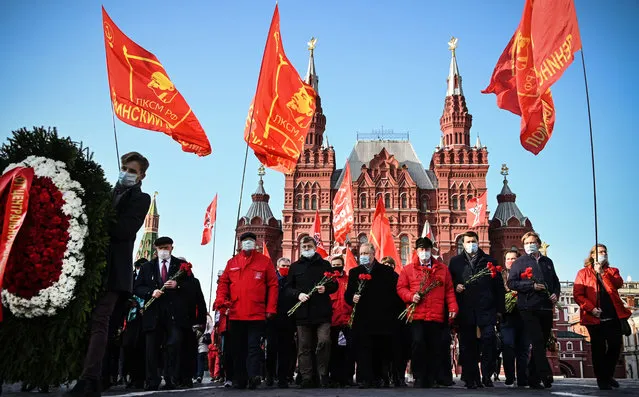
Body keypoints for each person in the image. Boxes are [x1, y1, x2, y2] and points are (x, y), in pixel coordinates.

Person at [70, 152, 151, 397]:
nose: (126, 173)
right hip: (91, 267)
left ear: (141, 176)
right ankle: (89, 376)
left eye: (132, 171)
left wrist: (100, 223)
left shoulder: (141, 198)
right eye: (124, 168)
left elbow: (124, 230)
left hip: (115, 270)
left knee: (100, 321)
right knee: (85, 322)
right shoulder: (105, 195)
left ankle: (89, 378)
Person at [214, 232, 278, 390]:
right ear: (240, 243)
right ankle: (240, 378)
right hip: (235, 313)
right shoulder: (232, 262)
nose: (247, 243)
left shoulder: (265, 262)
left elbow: (273, 285)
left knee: (254, 346)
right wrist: (221, 301)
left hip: (257, 312)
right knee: (238, 348)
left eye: (250, 240)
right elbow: (223, 284)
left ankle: (253, 376)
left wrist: (271, 308)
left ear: (256, 243)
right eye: (244, 240)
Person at [397, 237, 458, 388]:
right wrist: (411, 296)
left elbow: (449, 290)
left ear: (432, 251)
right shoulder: (408, 270)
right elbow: (401, 288)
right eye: (421, 250)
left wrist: (453, 307)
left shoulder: (442, 269)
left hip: (436, 315)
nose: (424, 253)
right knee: (418, 344)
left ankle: (432, 378)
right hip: (416, 315)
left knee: (434, 346)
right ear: (416, 251)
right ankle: (419, 377)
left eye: (427, 250)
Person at [133, 237, 191, 390]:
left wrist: (177, 285)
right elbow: (137, 287)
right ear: (155, 249)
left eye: (166, 247)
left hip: (173, 313)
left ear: (172, 248)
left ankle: (171, 378)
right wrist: (150, 292)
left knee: (172, 345)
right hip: (153, 313)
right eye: (160, 248)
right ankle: (152, 379)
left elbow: (191, 286)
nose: (163, 251)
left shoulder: (181, 266)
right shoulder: (147, 267)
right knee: (151, 348)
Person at [449, 231, 504, 389]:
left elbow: (498, 287)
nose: (470, 244)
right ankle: (472, 378)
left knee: (489, 341)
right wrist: (455, 286)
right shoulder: (455, 262)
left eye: (473, 241)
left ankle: (486, 375)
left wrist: (500, 310)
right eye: (467, 241)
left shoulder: (489, 261)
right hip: (466, 310)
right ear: (463, 243)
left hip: (486, 309)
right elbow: (449, 283)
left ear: (478, 242)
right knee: (468, 345)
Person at [573, 244, 632, 390]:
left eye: (605, 252)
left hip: (613, 315)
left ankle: (608, 375)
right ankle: (602, 379)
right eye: (600, 252)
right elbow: (578, 295)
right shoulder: (583, 273)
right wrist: (591, 308)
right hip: (594, 317)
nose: (603, 254)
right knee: (598, 348)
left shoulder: (612, 271)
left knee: (615, 346)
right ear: (592, 255)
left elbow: (618, 284)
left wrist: (602, 274)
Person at [345, 243, 403, 389]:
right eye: (361, 253)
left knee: (380, 349)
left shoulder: (386, 272)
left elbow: (396, 294)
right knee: (363, 349)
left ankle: (380, 378)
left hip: (382, 318)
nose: (363, 256)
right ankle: (364, 379)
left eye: (366, 253)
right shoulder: (354, 272)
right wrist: (353, 297)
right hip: (362, 319)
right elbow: (347, 295)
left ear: (373, 253)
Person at [508, 231, 560, 389]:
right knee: (537, 340)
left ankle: (532, 377)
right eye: (526, 243)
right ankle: (546, 374)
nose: (529, 245)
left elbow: (555, 281)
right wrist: (531, 286)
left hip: (545, 307)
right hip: (528, 307)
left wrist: (555, 294)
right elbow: (511, 283)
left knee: (542, 343)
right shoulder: (520, 262)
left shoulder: (547, 261)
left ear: (538, 243)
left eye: (532, 242)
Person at [284, 236, 337, 388]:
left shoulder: (325, 265)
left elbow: (334, 285)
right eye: (304, 246)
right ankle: (307, 377)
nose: (306, 249)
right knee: (304, 347)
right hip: (302, 313)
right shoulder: (295, 267)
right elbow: (287, 288)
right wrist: (298, 295)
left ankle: (322, 374)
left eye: (309, 246)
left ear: (315, 246)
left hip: (322, 313)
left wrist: (326, 288)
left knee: (324, 342)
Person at [265, 257, 297, 388]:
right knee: (271, 349)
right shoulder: (271, 280)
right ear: (278, 267)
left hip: (288, 319)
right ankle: (270, 376)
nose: (286, 268)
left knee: (285, 350)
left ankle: (283, 378)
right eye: (284, 265)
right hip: (272, 319)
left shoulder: (292, 281)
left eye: (288, 266)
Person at [500, 249, 528, 387]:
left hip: (523, 316)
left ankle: (522, 379)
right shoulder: (500, 276)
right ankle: (510, 377)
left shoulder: (526, 275)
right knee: (508, 346)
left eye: (513, 258)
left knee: (523, 349)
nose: (510, 261)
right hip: (507, 318)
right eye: (508, 259)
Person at [381, 256, 410, 387]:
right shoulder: (376, 280)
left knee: (399, 351)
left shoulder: (399, 278)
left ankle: (398, 377)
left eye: (390, 264)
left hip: (398, 320)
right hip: (381, 321)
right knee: (384, 351)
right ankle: (385, 377)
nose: (387, 266)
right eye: (384, 264)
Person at [328, 255, 355, 387]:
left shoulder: (349, 280)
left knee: (349, 350)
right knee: (333, 351)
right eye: (334, 265)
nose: (336, 267)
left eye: (338, 264)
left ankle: (348, 377)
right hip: (333, 322)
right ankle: (334, 377)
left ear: (343, 265)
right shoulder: (327, 281)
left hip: (347, 321)